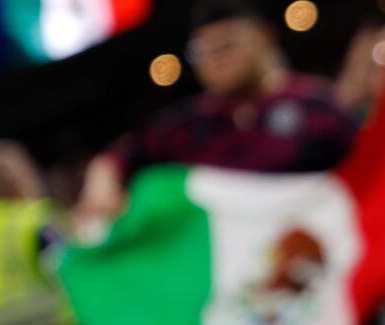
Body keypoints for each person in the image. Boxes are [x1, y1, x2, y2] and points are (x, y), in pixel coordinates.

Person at [76, 0, 356, 222]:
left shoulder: (316, 105)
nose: (216, 58)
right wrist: (103, 177)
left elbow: (371, 168)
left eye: (226, 44)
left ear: (263, 37)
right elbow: (124, 156)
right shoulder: (187, 124)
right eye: (203, 50)